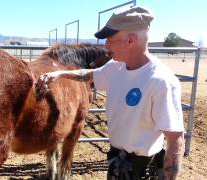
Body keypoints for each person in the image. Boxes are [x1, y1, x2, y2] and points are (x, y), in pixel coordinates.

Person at [36, 6, 184, 180]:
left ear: (131, 40)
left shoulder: (161, 81)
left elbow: (175, 140)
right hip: (117, 163)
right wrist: (59, 74)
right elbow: (88, 75)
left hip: (142, 171)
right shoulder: (116, 68)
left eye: (110, 39)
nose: (105, 45)